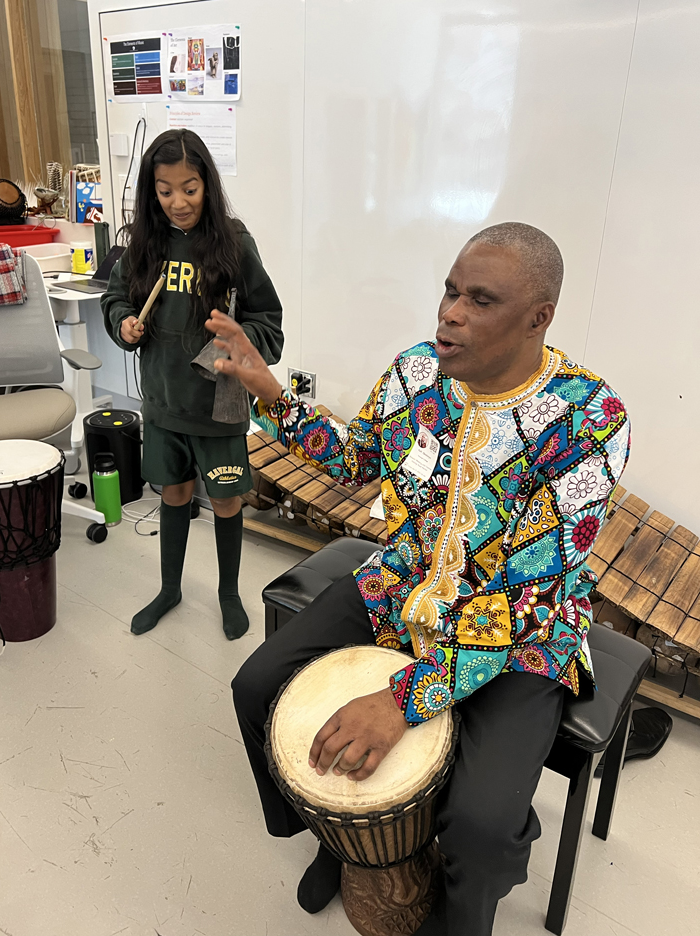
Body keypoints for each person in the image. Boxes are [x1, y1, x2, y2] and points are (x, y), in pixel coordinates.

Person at [207, 223, 631, 935]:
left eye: (480, 300)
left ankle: (464, 919)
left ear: (538, 317)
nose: (451, 313)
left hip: (525, 631)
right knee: (256, 688)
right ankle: (340, 841)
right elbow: (357, 461)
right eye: (450, 290)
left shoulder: (590, 420)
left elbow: (527, 594)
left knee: (485, 826)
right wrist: (272, 396)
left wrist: (406, 698)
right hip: (403, 584)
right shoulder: (416, 373)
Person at [101, 129, 283, 640]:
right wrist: (124, 325)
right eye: (165, 191)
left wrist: (241, 342)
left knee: (225, 500)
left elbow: (269, 318)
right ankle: (169, 589)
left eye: (190, 188)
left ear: (208, 184)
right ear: (150, 191)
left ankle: (228, 593)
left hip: (217, 406)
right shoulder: (145, 243)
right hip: (162, 403)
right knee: (175, 494)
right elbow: (115, 300)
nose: (178, 202)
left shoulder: (233, 243)